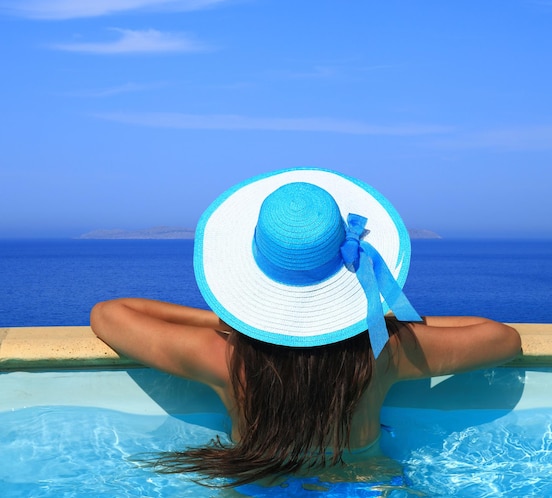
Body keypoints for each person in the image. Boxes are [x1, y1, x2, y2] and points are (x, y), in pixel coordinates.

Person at [91, 167, 521, 488]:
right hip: (364, 484)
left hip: (259, 487)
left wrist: (225, 323)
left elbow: (110, 314)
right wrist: (380, 319)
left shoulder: (221, 357)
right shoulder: (384, 352)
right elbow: (503, 338)